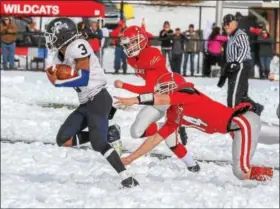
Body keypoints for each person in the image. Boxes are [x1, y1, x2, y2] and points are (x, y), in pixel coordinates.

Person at [115, 72, 274, 182]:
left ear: (172, 88)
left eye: (163, 90)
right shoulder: (173, 115)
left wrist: (135, 100)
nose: (161, 94)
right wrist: (131, 158)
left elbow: (162, 99)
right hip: (238, 128)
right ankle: (271, 176)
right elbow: (156, 139)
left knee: (241, 170)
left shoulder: (188, 93)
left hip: (242, 122)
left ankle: (272, 178)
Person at [44, 17, 138, 188]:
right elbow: (63, 72)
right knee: (63, 139)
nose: (49, 38)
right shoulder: (60, 55)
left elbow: (84, 78)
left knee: (98, 144)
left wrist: (59, 81)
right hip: (86, 102)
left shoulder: (77, 46)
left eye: (52, 34)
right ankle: (108, 132)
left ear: (62, 35)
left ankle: (128, 178)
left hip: (99, 98)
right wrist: (55, 74)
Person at [113, 26, 197, 170]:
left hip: (169, 96)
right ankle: (171, 129)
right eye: (127, 44)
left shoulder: (152, 54)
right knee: (136, 132)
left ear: (141, 40)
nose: (129, 47)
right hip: (156, 97)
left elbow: (149, 88)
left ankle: (192, 165)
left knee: (172, 142)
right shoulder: (133, 59)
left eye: (131, 43)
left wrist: (123, 85)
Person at [218, 14, 264, 115]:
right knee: (241, 94)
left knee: (234, 93)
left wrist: (236, 63)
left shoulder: (240, 34)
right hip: (234, 67)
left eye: (228, 24)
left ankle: (232, 116)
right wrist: (224, 73)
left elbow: (244, 49)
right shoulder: (230, 36)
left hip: (240, 65)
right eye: (224, 24)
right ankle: (256, 108)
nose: (226, 26)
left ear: (234, 24)